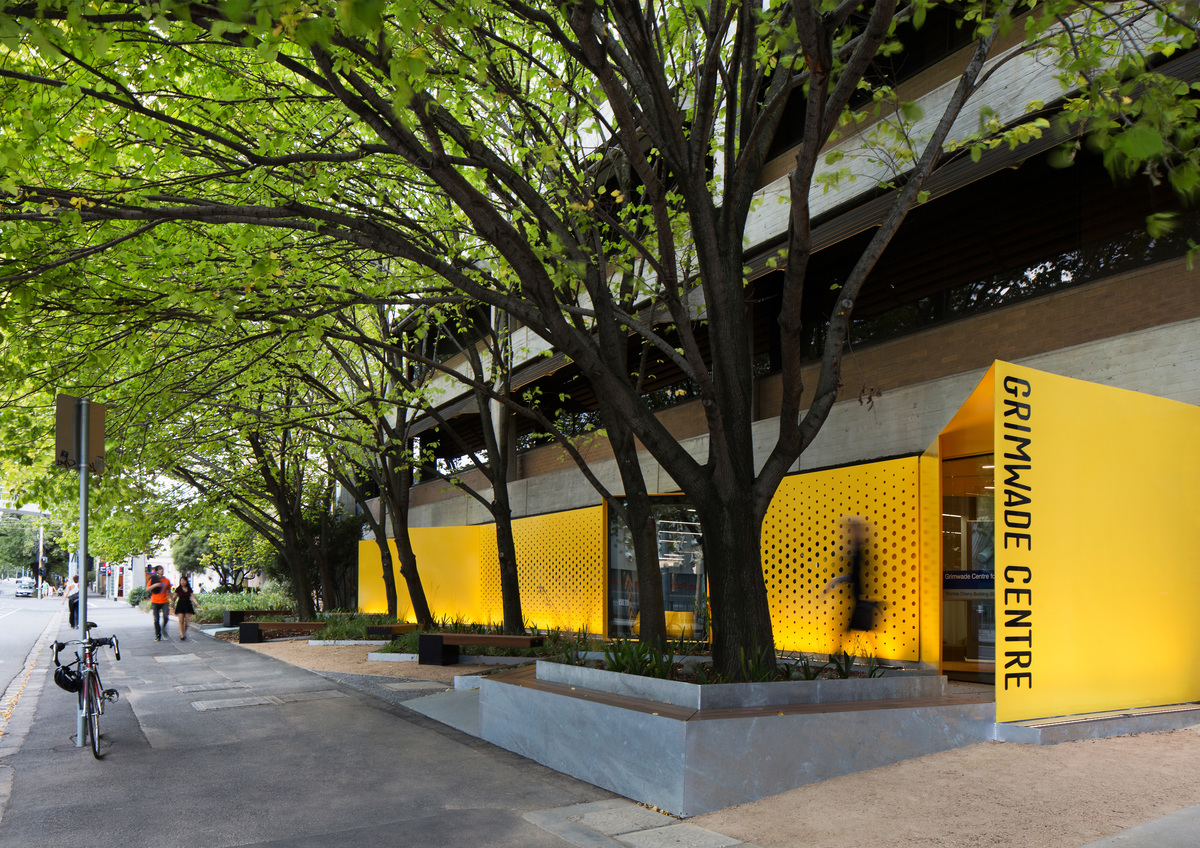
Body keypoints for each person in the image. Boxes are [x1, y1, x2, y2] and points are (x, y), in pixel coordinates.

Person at [148, 566, 172, 642]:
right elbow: (148, 589)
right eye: (160, 570)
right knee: (156, 619)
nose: (162, 571)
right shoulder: (153, 579)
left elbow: (168, 591)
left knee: (166, 617)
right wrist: (155, 585)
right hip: (155, 601)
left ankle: (163, 629)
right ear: (157, 571)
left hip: (164, 601)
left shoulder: (166, 580)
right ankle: (158, 635)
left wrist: (173, 600)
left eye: (162, 569)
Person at [174, 577, 196, 642]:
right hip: (180, 604)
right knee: (181, 621)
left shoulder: (189, 589)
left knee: (187, 621)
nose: (182, 582)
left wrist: (196, 603)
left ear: (186, 581)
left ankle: (184, 631)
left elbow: (192, 597)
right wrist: (172, 602)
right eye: (181, 580)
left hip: (188, 605)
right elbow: (174, 597)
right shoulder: (178, 589)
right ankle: (182, 635)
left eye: (184, 580)